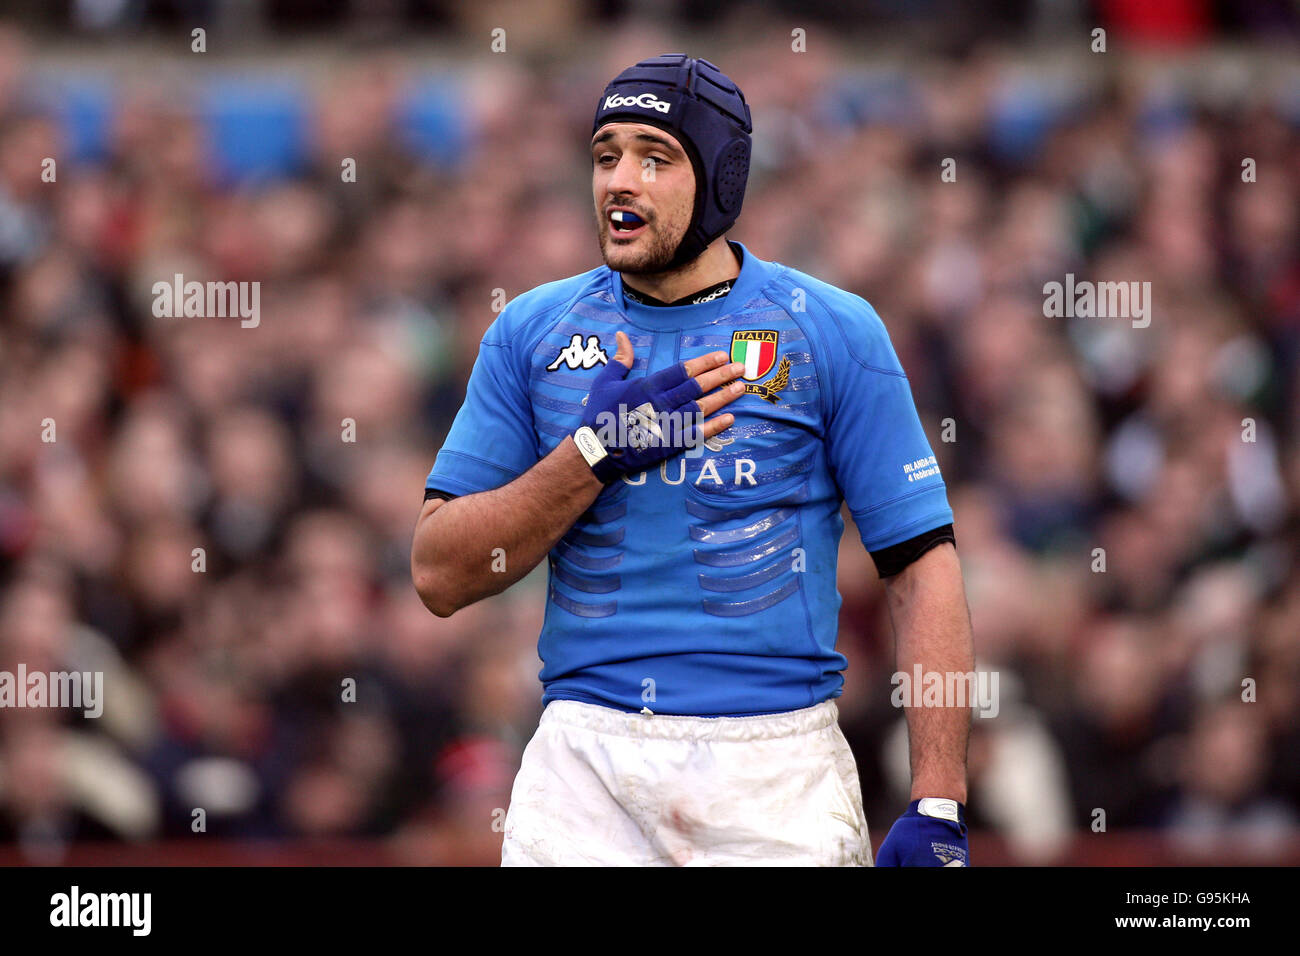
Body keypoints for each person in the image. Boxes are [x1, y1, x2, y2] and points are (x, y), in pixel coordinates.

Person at [411, 54, 974, 866]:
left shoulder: (830, 330)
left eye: (654, 156)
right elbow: (438, 573)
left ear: (720, 179)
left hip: (773, 764)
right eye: (605, 156)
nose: (618, 182)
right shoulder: (530, 331)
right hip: (581, 765)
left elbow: (922, 565)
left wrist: (938, 800)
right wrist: (593, 456)